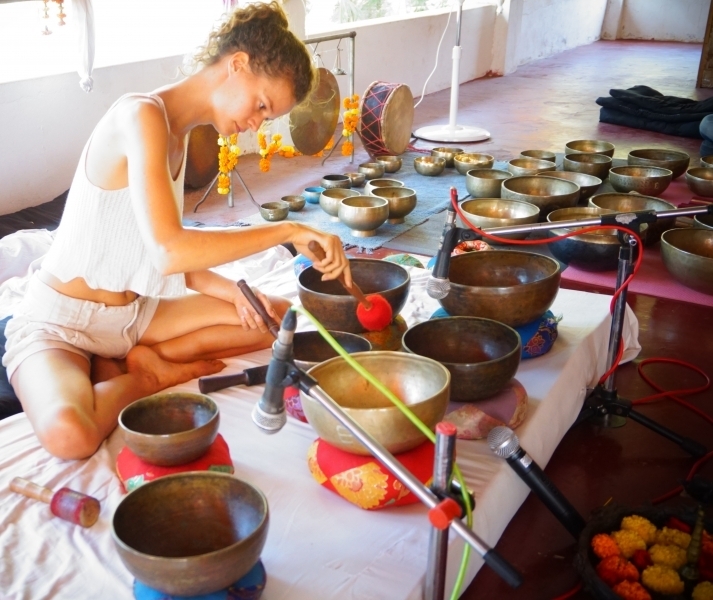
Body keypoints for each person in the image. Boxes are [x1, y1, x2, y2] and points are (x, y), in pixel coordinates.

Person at [2, 2, 351, 460]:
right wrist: (284, 231)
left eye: (267, 118)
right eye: (261, 106)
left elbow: (158, 254)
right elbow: (170, 252)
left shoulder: (180, 135)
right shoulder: (141, 116)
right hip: (62, 322)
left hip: (134, 317)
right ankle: (147, 376)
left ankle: (135, 359)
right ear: (237, 64)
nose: (255, 123)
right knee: (72, 437)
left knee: (273, 318)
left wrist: (233, 294)